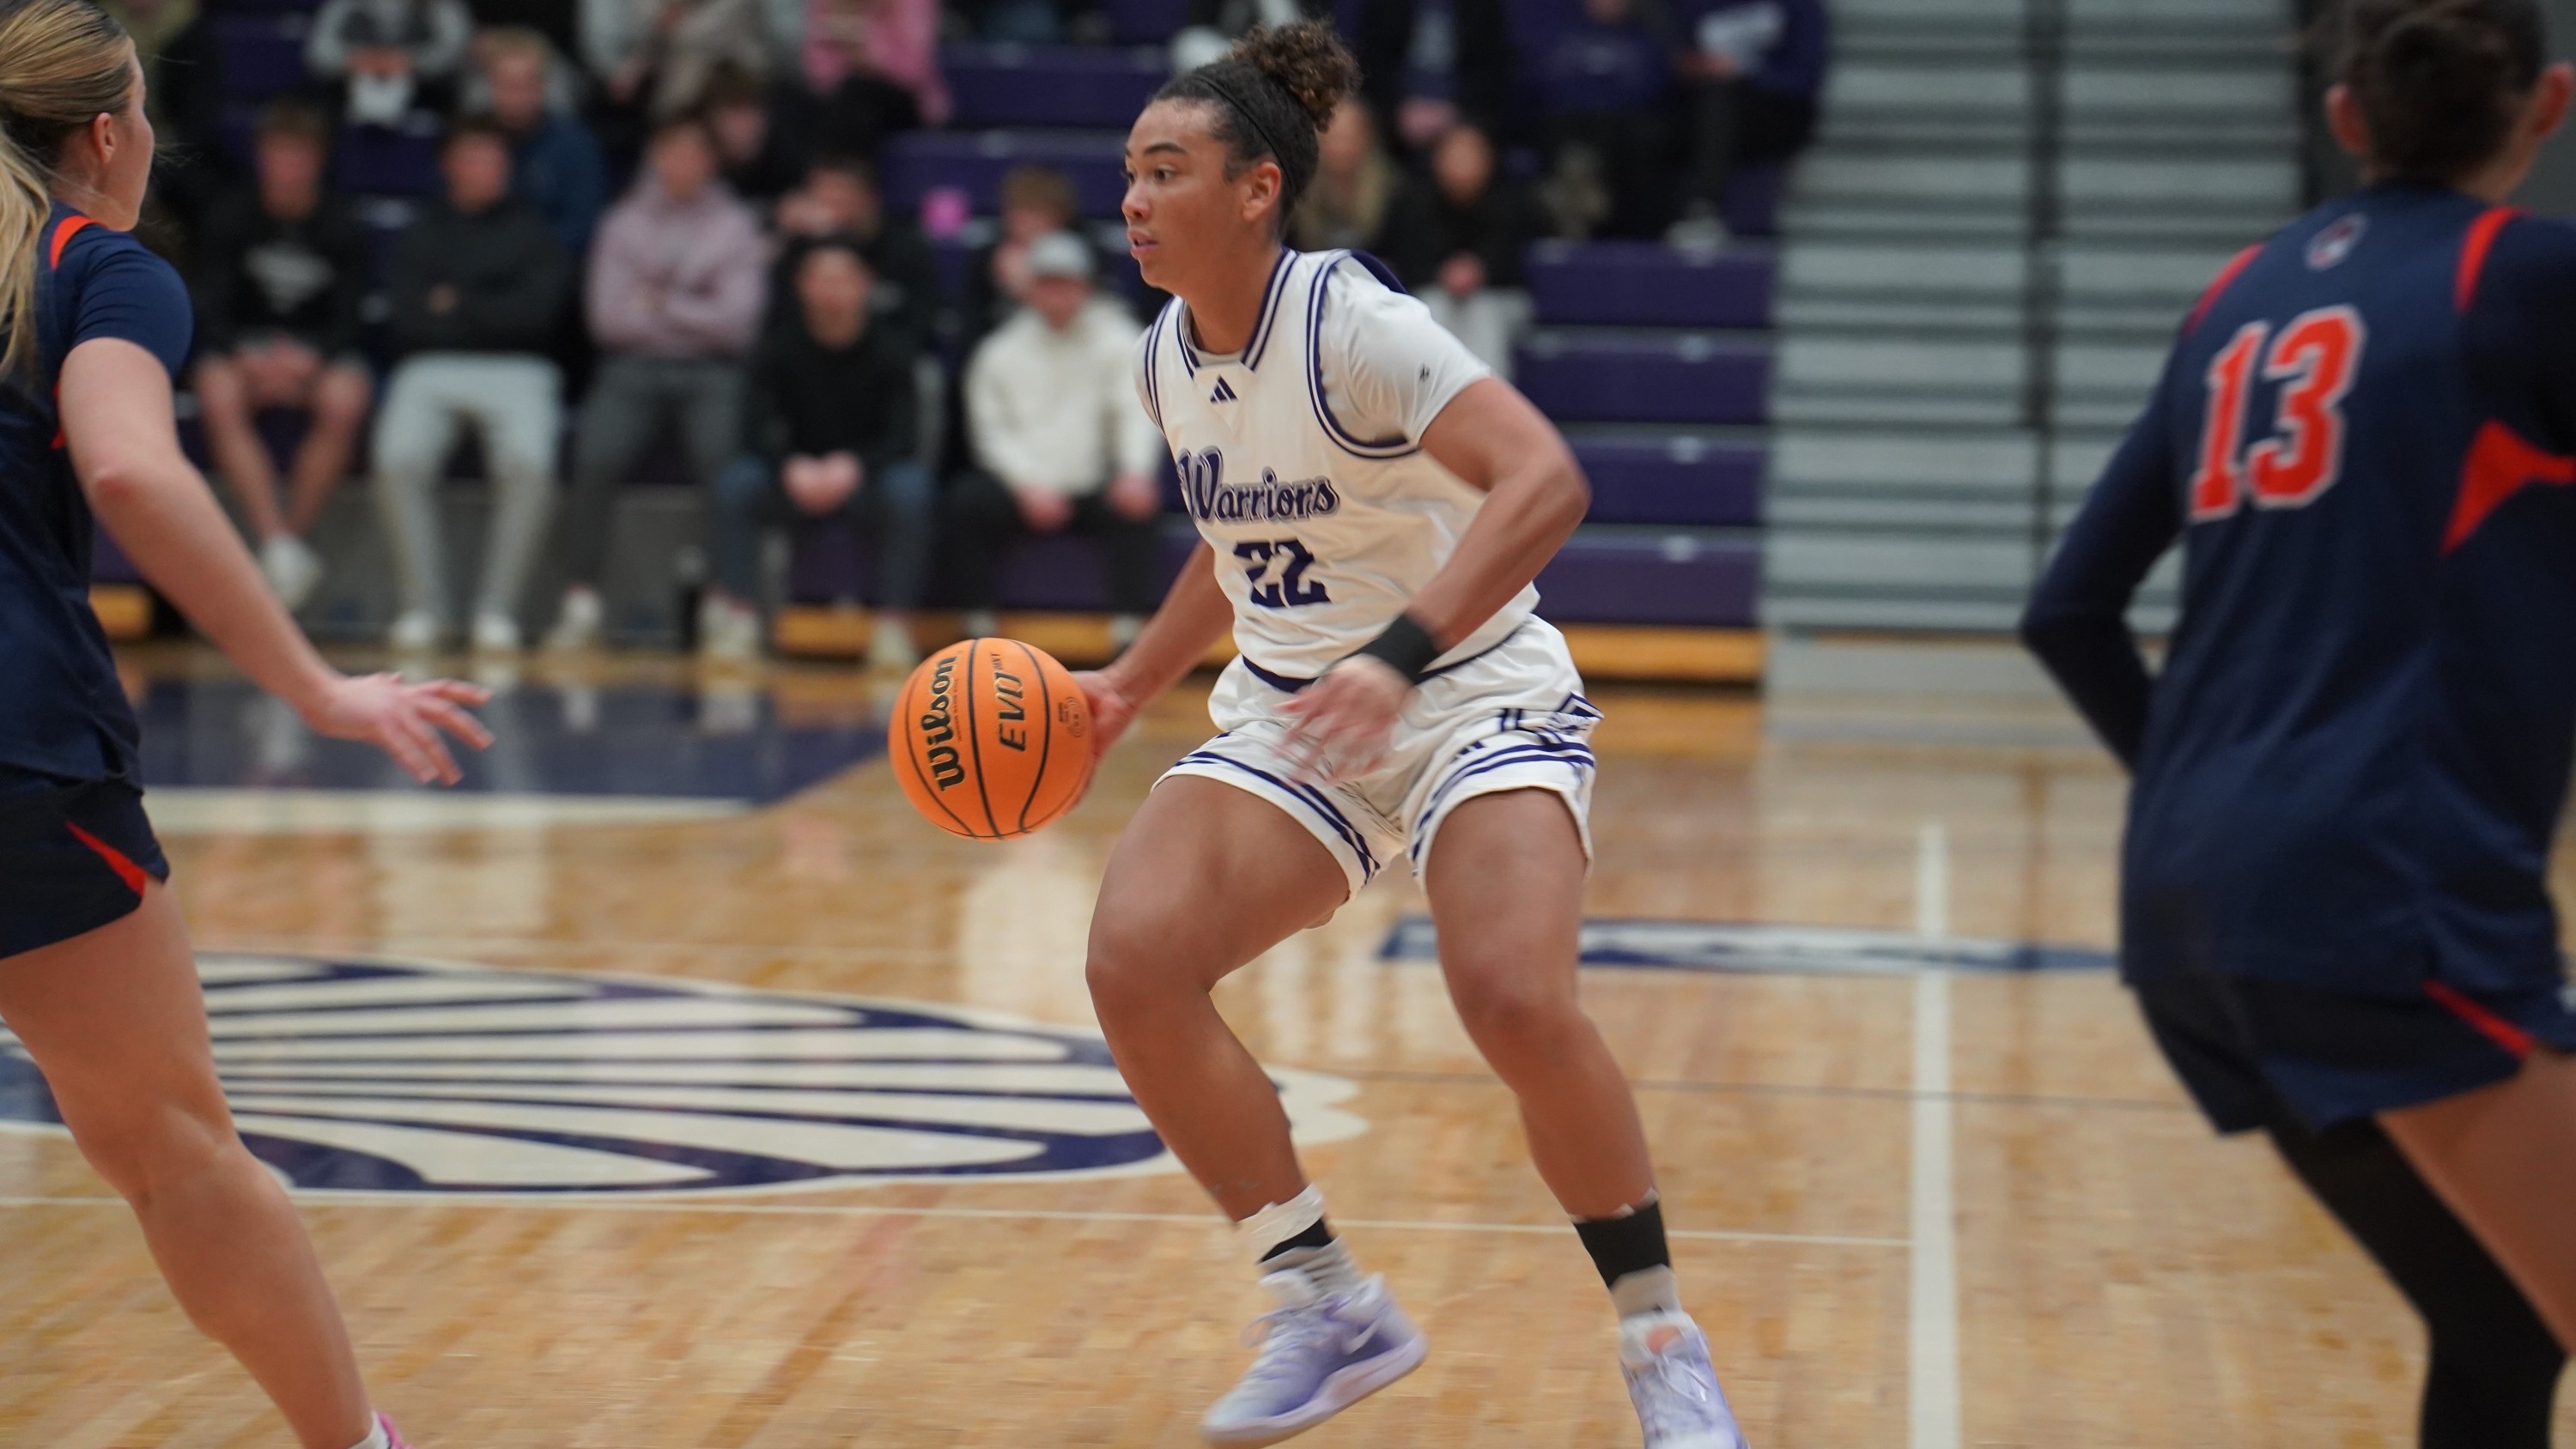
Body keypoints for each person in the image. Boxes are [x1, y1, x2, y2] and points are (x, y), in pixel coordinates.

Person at [1084, 22, 1748, 1447]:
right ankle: (1324, 1298)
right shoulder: (1159, 360)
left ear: (1257, 187)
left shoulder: (1350, 322)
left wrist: (1399, 655)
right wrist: (1127, 686)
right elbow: (1238, 536)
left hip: (1468, 690)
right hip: (1298, 710)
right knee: (1133, 960)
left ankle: (1660, 1339)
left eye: (1165, 169)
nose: (1132, 199)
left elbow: (1545, 481)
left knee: (1511, 993)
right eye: (1128, 173)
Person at [2022, 3, 2576, 1445]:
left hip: (2192, 906)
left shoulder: (2237, 297)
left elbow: (2068, 608)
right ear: (2548, 107)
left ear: (2347, 118)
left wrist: (2220, 789)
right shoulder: (2524, 274)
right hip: (2386, 891)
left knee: (2502, 1325)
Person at [0, 5, 489, 1448]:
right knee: (173, 1153)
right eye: (148, 112)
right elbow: (135, 476)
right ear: (107, 134)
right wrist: (320, 687)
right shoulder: (93, 266)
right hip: (23, 750)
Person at [548, 112, 765, 652]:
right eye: (673, 150)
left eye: (696, 152)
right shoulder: (623, 223)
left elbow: (739, 324)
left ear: (711, 162)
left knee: (726, 465)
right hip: (632, 365)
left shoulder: (735, 225)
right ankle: (581, 598)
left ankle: (726, 603)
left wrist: (661, 302)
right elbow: (607, 319)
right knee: (595, 455)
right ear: (655, 157)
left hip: (713, 370)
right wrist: (698, 308)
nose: (684, 163)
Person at [373, 115, 574, 652]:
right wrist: (493, 304)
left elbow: (540, 315)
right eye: (473, 155)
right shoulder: (422, 229)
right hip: (430, 366)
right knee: (398, 459)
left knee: (529, 464)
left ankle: (497, 611)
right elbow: (410, 316)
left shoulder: (533, 230)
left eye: (495, 157)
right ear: (449, 164)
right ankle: (424, 608)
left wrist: (459, 302)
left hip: (521, 369)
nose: (486, 167)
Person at [705, 239, 932, 667]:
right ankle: (739, 619)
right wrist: (790, 464)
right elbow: (753, 429)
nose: (831, 291)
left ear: (865, 285)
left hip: (865, 480)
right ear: (801, 286)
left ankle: (893, 626)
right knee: (736, 484)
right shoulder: (776, 349)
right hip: (794, 477)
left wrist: (855, 466)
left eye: (842, 279)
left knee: (912, 489)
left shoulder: (894, 350)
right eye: (821, 279)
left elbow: (904, 438)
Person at [188, 101, 374, 609]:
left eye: (299, 155)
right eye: (278, 154)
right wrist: (245, 354)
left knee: (347, 398)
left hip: (317, 355)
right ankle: (278, 543)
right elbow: (210, 304)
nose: (287, 166)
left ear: (318, 160)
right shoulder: (230, 216)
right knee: (215, 388)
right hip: (246, 352)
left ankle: (284, 542)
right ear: (261, 157)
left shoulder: (343, 224)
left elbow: (353, 314)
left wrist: (312, 359)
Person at [950, 232, 1165, 649]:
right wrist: (1027, 482)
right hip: (1023, 488)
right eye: (1047, 283)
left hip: (1094, 484)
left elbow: (1135, 413)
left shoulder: (1121, 340)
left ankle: (1128, 630)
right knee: (965, 502)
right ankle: (976, 622)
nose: (1058, 293)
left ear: (1086, 286)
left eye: (1066, 283)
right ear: (1030, 289)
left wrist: (1134, 472)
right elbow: (991, 433)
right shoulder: (999, 351)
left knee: (1139, 509)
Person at [1380, 122, 1536, 377]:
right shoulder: (1412, 204)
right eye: (1454, 156)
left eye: (1470, 156)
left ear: (1488, 161)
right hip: (1435, 297)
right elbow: (1407, 263)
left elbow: (1515, 266)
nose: (1462, 165)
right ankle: (1433, 406)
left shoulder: (1512, 204)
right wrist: (1443, 275)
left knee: (1482, 312)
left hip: (1499, 301)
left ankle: (1488, 407)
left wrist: (1480, 272)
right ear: (1437, 160)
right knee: (1430, 308)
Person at [1666, 0, 1826, 249]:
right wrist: (1693, 66)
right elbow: (1668, 52)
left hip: (1775, 110)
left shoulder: (1799, 6)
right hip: (1695, 102)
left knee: (1721, 98)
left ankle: (1704, 208)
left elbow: (1806, 75)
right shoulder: (1691, 6)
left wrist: (1744, 72)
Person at [770, 153, 942, 349]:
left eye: (839, 197)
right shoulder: (802, 249)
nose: (829, 209)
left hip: (889, 361)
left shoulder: (907, 249)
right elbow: (780, 324)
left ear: (869, 198)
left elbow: (920, 323)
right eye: (821, 197)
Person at [1536, 0, 1672, 240]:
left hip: (1622, 136)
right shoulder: (1564, 37)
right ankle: (1578, 191)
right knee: (1564, 127)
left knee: (1631, 132)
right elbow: (1549, 86)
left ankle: (1580, 194)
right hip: (1573, 126)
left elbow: (1651, 90)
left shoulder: (1646, 40)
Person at [478, 25, 608, 256]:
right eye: (507, 84)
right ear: (490, 85)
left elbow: (580, 228)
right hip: (478, 272)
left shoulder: (575, 144)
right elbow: (447, 221)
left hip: (547, 275)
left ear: (541, 86)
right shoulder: (470, 141)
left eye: (524, 84)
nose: (515, 96)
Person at [1354, 0, 1515, 155]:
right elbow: (1371, 61)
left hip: (1464, 116)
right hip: (1392, 118)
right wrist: (1397, 108)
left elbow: (1492, 69)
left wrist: (1456, 111)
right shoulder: (1387, 4)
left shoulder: (1482, 5)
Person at [304, 0, 475, 127]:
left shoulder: (439, 6)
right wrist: (357, 59)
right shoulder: (345, 5)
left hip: (425, 96)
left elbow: (456, 50)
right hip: (348, 97)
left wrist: (410, 61)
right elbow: (318, 53)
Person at [1287, 97, 1395, 253]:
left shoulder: (1394, 194)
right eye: (1333, 137)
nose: (1340, 147)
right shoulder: (1296, 196)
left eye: (1348, 137)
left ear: (1367, 138)